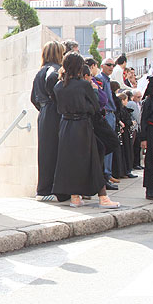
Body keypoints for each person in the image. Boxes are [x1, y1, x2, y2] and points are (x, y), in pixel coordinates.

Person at [52, 53, 120, 209]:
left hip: (65, 126)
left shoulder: (58, 86)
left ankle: (75, 197)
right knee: (93, 160)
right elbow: (95, 107)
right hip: (82, 125)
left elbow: (58, 107)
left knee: (70, 162)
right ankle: (103, 197)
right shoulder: (83, 85)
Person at [30, 40, 65, 202]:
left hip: (44, 112)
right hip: (54, 112)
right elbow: (54, 86)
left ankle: (44, 189)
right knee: (55, 151)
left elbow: (33, 98)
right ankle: (49, 190)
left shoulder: (40, 71)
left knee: (45, 151)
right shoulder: (55, 70)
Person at [95, 57, 119, 190]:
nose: (111, 67)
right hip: (106, 113)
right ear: (102, 66)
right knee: (107, 144)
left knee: (110, 145)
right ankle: (105, 175)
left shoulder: (107, 80)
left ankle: (108, 174)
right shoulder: (100, 79)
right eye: (109, 64)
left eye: (113, 65)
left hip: (111, 114)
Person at [139, 72, 153, 200]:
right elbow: (143, 120)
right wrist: (143, 138)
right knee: (151, 160)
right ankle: (151, 189)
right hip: (152, 133)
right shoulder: (148, 101)